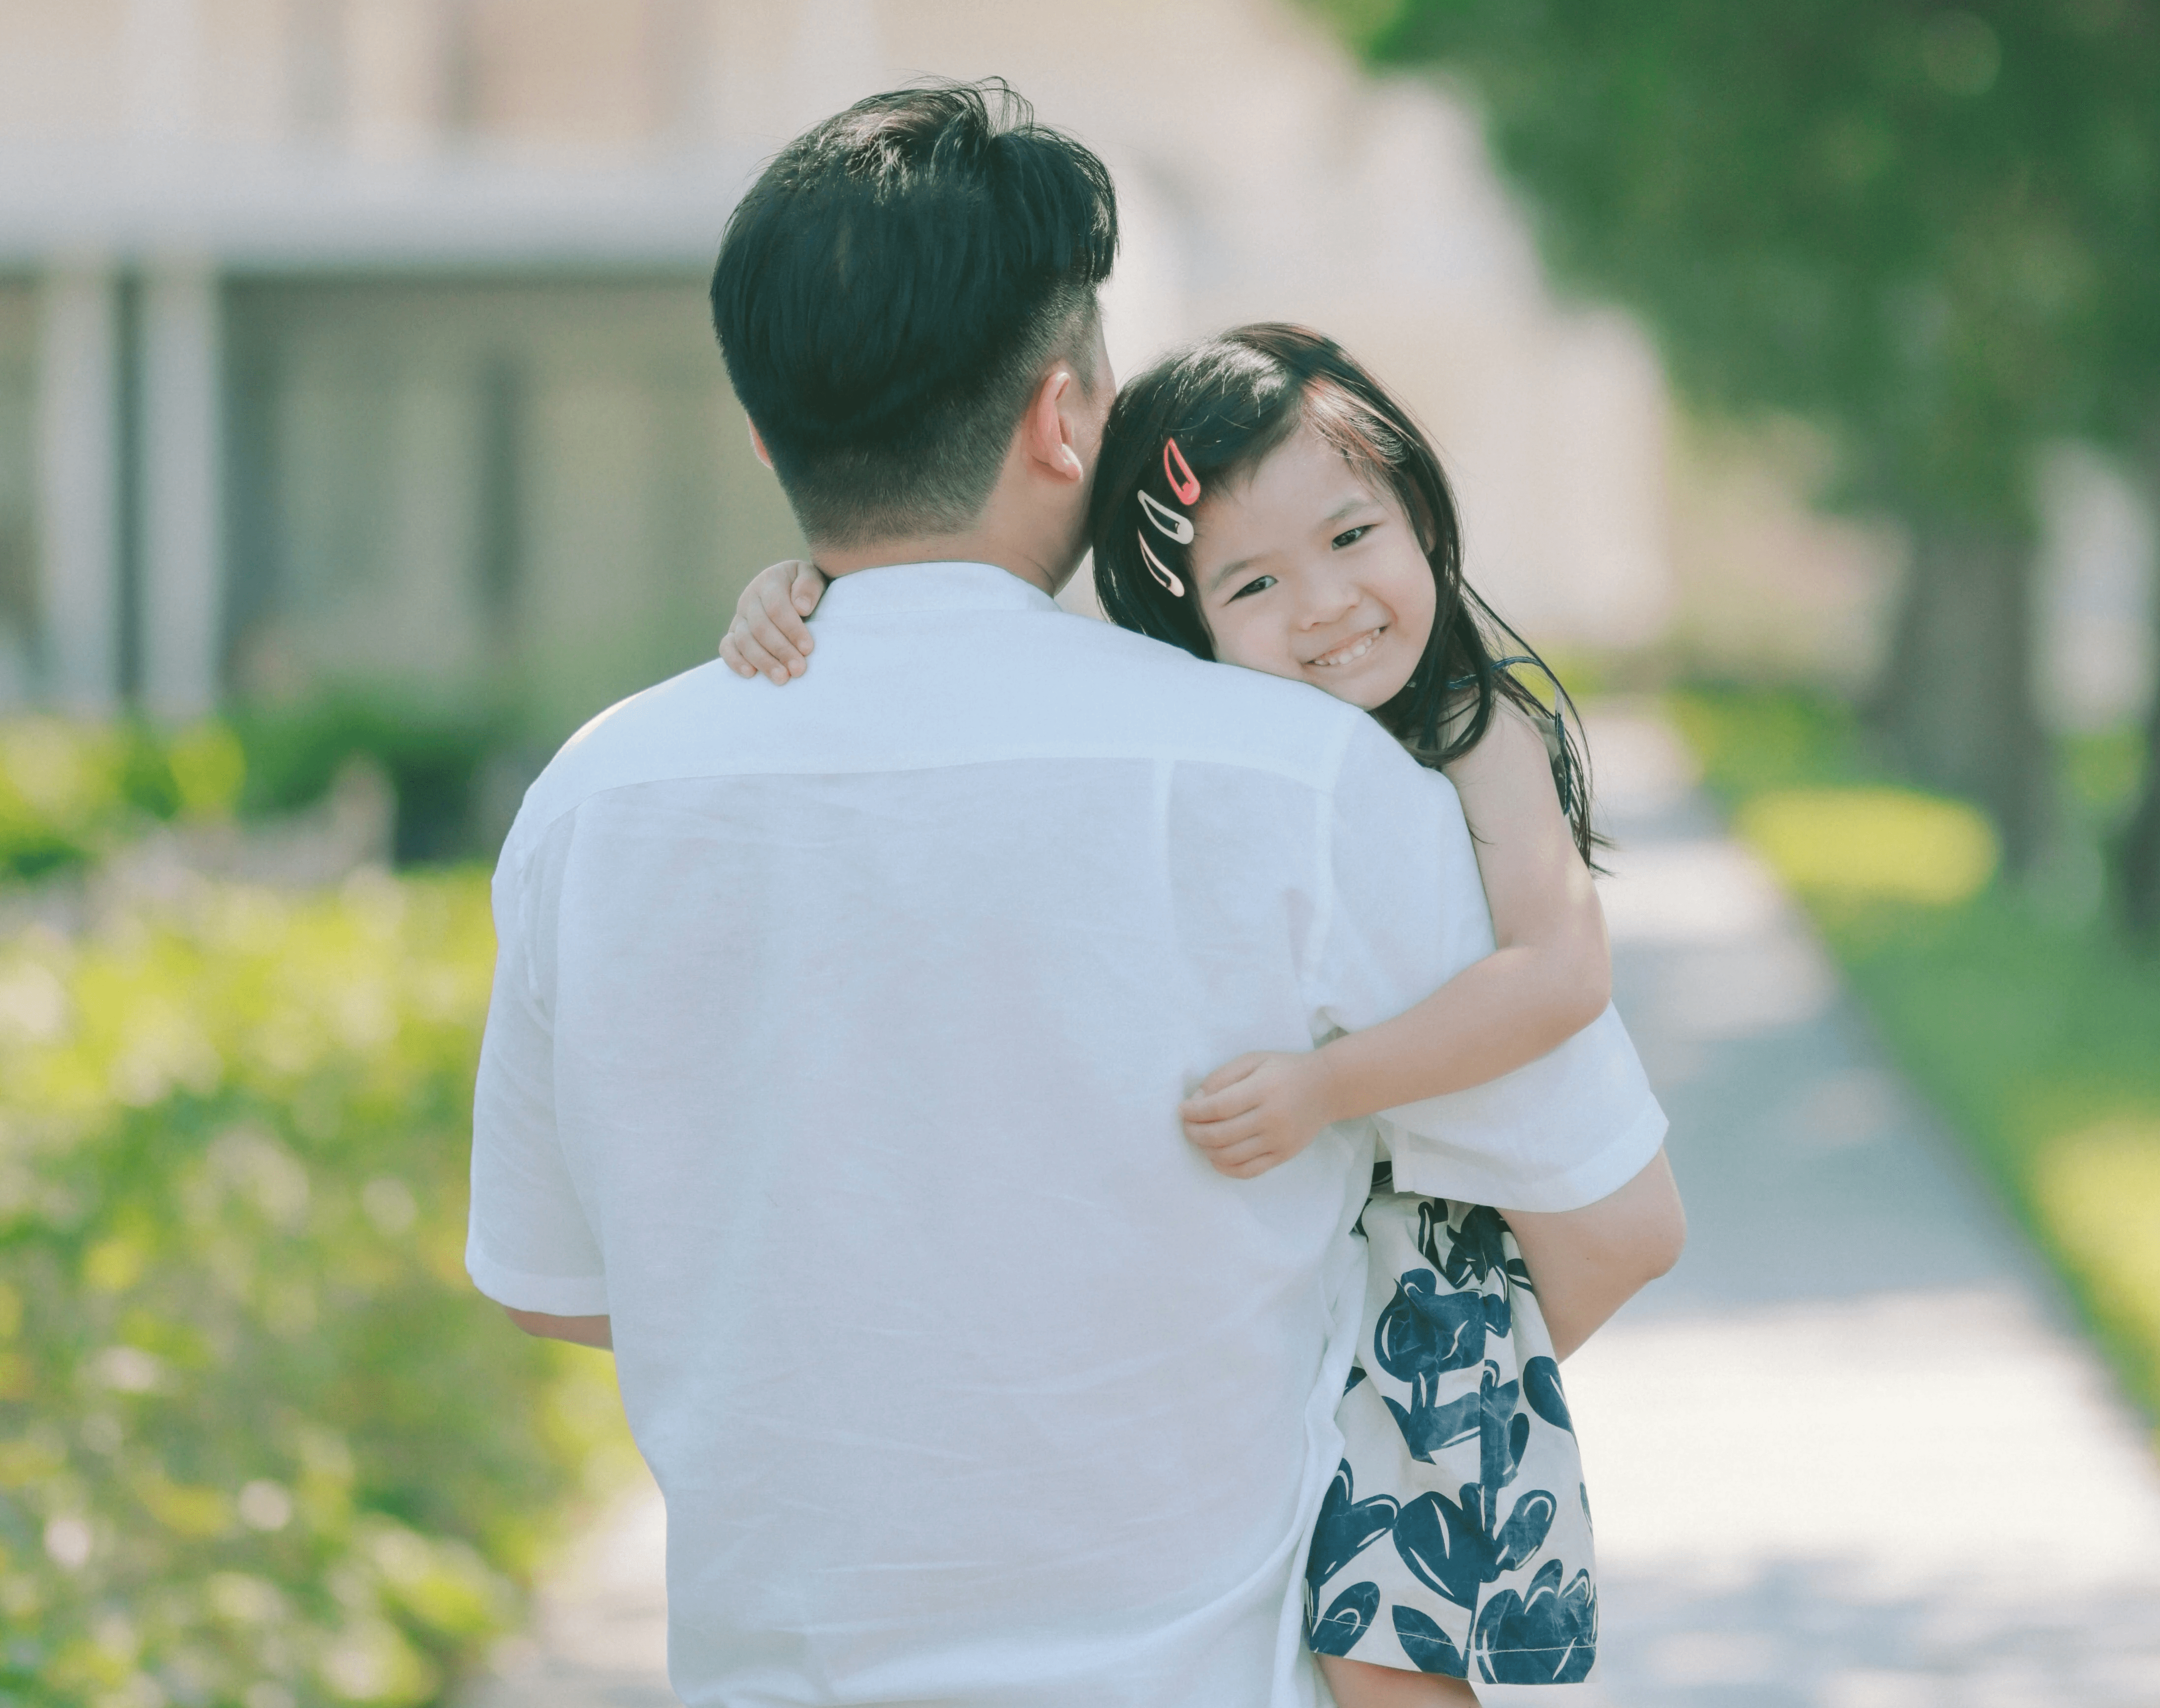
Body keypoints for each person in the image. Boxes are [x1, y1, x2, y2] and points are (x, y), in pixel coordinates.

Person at [468, 81, 1678, 1708]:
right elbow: (1615, 1223)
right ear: (1063, 420)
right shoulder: (1309, 783)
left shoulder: (595, 804)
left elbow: (558, 1289)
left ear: (767, 437)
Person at [724, 325, 1679, 1703]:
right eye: (1254, 582)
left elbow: (1562, 971)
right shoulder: (1218, 739)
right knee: (1345, 1626)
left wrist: (1325, 1086)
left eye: (1352, 535)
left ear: (1420, 510)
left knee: (1380, 1652)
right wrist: (805, 591)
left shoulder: (1478, 729)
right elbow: (996, 643)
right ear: (1189, 625)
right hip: (1347, 1269)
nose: (1327, 604)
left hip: (1447, 1274)